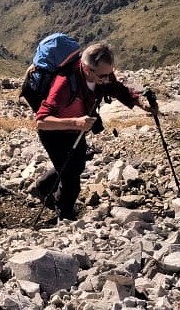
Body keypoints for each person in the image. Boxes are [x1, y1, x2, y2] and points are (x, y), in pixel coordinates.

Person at [34, 41, 156, 220]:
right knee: (71, 178)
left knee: (76, 165)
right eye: (102, 76)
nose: (107, 79)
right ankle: (65, 217)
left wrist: (142, 104)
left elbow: (119, 90)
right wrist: (75, 122)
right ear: (86, 68)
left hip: (77, 128)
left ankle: (43, 188)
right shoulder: (64, 83)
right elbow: (42, 121)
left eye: (109, 74)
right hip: (54, 132)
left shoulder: (103, 76)